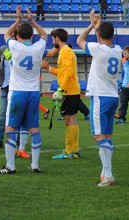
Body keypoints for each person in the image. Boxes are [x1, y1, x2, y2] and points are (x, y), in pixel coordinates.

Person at [0, 5, 47, 175]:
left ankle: (10, 165)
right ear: (32, 35)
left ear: (18, 35)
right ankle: (35, 164)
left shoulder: (15, 47)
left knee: (11, 128)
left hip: (17, 92)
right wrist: (32, 21)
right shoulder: (38, 48)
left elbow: (6, 35)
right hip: (33, 93)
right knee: (34, 129)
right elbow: (44, 35)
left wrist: (18, 20)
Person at [76, 10, 122, 187]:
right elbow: (101, 43)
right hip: (112, 96)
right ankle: (105, 172)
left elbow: (80, 40)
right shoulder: (117, 50)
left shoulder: (98, 49)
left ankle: (108, 174)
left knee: (98, 135)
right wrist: (98, 27)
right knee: (107, 135)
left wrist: (91, 25)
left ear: (100, 34)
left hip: (100, 97)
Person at [42, 28, 82, 160]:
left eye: (53, 38)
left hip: (69, 91)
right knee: (72, 120)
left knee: (68, 120)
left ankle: (68, 151)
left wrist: (61, 89)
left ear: (57, 38)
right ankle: (74, 150)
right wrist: (49, 68)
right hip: (72, 90)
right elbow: (63, 72)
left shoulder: (65, 51)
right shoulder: (65, 51)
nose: (52, 40)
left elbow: (69, 72)